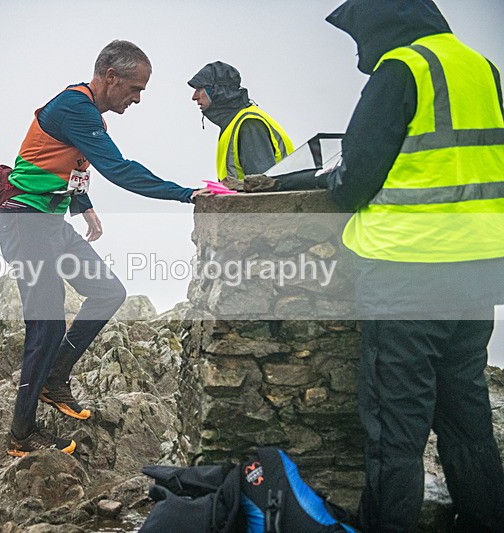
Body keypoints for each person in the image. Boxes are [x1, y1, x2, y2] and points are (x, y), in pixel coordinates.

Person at [324, 0, 504, 530]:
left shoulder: (400, 70)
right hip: (478, 267)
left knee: (395, 426)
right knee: (466, 413)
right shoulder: (480, 67)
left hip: (408, 269)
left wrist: (332, 181)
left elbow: (354, 180)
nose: (360, 51)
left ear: (383, 23)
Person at [0, 40, 207, 457]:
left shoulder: (89, 116)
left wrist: (84, 207)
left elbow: (70, 167)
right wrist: (187, 194)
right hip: (25, 222)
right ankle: (21, 435)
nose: (138, 99)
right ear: (110, 76)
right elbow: (120, 170)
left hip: (50, 224)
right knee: (47, 325)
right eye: (135, 88)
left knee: (109, 292)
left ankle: (55, 378)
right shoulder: (75, 107)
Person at [188, 61, 294, 181]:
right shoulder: (234, 123)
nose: (194, 97)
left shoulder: (249, 125)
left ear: (217, 91)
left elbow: (261, 188)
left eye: (199, 89)